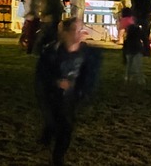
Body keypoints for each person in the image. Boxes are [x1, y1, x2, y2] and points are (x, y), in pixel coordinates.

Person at [35, 18, 102, 166]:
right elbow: (42, 75)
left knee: (66, 127)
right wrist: (56, 82)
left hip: (71, 97)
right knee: (55, 122)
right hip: (51, 95)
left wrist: (82, 91)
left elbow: (89, 76)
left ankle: (57, 155)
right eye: (75, 30)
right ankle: (49, 134)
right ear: (64, 33)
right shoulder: (51, 53)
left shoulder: (87, 54)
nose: (80, 33)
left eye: (81, 29)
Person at [122, 19, 146, 86]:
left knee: (129, 65)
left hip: (130, 50)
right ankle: (140, 80)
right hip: (137, 49)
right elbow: (144, 39)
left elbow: (125, 46)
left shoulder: (128, 37)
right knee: (138, 66)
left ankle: (128, 78)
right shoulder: (138, 31)